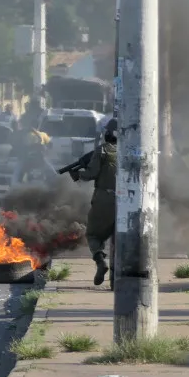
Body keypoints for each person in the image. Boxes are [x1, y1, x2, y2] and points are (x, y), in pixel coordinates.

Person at [72, 118, 118, 286]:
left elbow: (92, 173)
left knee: (93, 234)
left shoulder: (103, 151)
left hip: (105, 199)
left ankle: (100, 262)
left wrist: (78, 175)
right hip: (129, 201)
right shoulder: (133, 150)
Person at [10, 117, 55, 185]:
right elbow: (50, 144)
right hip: (37, 158)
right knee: (52, 172)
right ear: (38, 125)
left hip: (31, 158)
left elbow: (19, 143)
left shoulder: (25, 133)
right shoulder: (42, 134)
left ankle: (14, 186)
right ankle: (58, 183)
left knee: (17, 173)